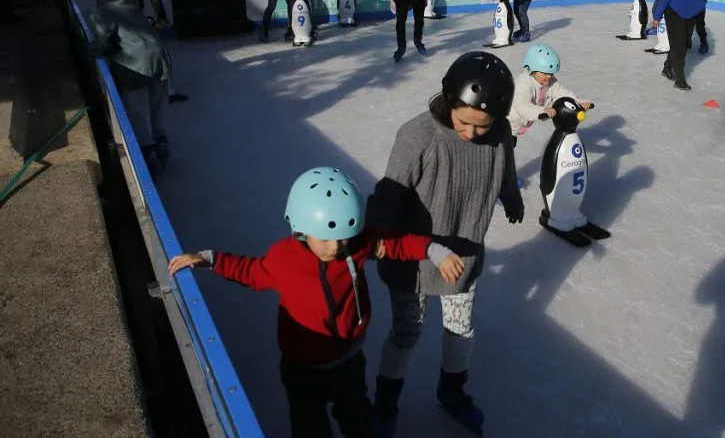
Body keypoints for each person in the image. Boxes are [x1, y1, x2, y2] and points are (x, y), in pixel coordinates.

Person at [167, 167, 466, 438]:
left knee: (358, 421)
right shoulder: (284, 259)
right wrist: (210, 259)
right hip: (303, 369)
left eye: (343, 238)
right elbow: (251, 271)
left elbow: (395, 244)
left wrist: (433, 251)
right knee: (310, 429)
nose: (335, 247)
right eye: (325, 238)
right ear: (301, 227)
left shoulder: (356, 246)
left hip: (349, 359)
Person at [367, 52, 525, 438]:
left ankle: (452, 391)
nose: (471, 134)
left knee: (461, 330)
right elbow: (389, 192)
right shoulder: (418, 136)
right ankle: (385, 402)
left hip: (464, 252)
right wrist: (375, 230)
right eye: (463, 122)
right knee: (407, 332)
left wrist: (511, 196)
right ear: (448, 99)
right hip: (412, 260)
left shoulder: (500, 133)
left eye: (481, 126)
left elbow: (504, 168)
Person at [88, 0, 172, 171]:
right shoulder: (130, 3)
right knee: (156, 109)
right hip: (160, 60)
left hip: (136, 68)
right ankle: (162, 146)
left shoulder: (102, 11)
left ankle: (149, 155)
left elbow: (103, 42)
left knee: (139, 112)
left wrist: (92, 49)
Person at [507, 44, 593, 189]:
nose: (549, 76)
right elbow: (522, 107)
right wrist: (542, 111)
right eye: (545, 73)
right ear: (532, 68)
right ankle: (499, 186)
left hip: (514, 128)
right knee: (500, 157)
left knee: (506, 154)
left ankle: (504, 178)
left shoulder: (549, 82)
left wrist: (579, 102)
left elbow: (563, 93)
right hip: (502, 126)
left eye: (552, 73)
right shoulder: (523, 83)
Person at [651, 0, 707, 91]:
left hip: (692, 15)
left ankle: (667, 68)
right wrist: (657, 16)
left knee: (681, 44)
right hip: (674, 14)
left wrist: (701, 10)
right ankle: (680, 80)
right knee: (680, 48)